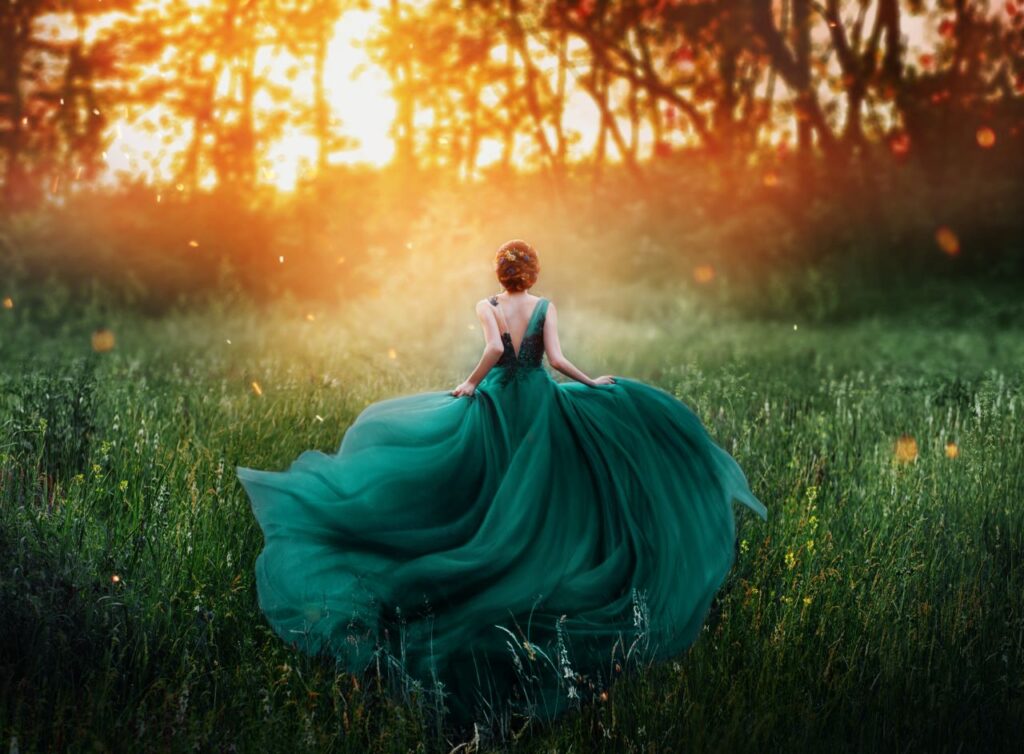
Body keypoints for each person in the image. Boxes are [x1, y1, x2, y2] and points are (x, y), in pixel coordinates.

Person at [236, 239, 767, 730]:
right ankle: (544, 565)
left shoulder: (487, 307)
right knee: (543, 489)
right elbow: (556, 362)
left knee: (488, 482)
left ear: (500, 273)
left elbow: (494, 349)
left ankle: (481, 558)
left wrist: (470, 383)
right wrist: (592, 382)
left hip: (498, 400)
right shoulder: (544, 307)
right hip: (538, 401)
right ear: (531, 274)